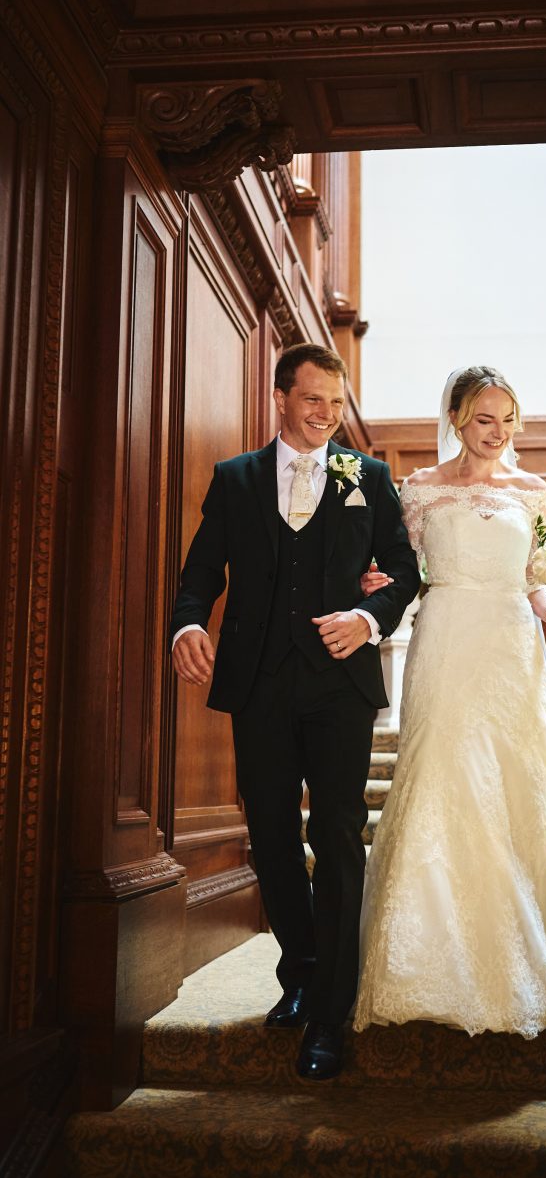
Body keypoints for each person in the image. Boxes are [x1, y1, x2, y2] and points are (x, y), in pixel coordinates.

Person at [353, 366, 546, 1037]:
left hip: (511, 645)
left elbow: (533, 584)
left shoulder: (533, 490)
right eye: (482, 419)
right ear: (458, 419)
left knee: (516, 778)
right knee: (441, 774)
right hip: (444, 637)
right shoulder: (419, 489)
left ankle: (531, 948)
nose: (496, 432)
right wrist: (374, 579)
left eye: (506, 419)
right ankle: (426, 960)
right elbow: (403, 572)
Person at [169, 342, 420, 1079]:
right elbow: (198, 576)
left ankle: (330, 1015)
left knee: (337, 832)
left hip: (339, 684)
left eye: (336, 405)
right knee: (271, 834)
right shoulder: (236, 478)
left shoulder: (366, 476)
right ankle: (302, 970)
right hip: (259, 682)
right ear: (280, 398)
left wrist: (368, 620)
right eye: (313, 401)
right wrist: (187, 623)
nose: (326, 417)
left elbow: (403, 570)